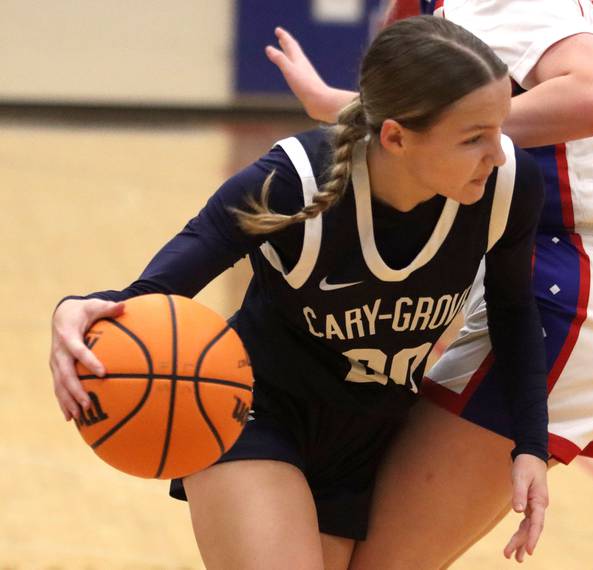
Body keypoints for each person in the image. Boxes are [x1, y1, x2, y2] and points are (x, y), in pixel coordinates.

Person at [47, 16, 551, 570]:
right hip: (253, 412)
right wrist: (72, 309)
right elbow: (152, 292)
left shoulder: (507, 187)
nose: (498, 153)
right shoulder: (294, 182)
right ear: (397, 137)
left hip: (367, 435)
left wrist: (531, 444)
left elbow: (512, 313)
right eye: (474, 137)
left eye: (500, 129)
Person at [266, 0, 593, 565]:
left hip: (561, 279)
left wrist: (454, 132)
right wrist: (339, 105)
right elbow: (421, 122)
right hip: (553, 274)